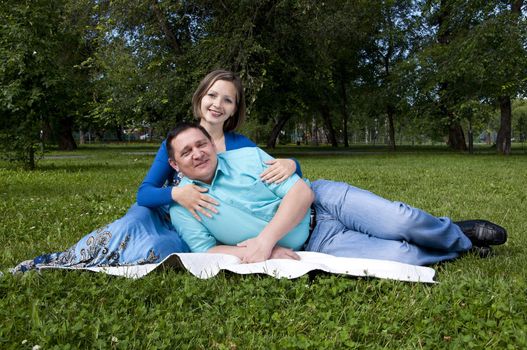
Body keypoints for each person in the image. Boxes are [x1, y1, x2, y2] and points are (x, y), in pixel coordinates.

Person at [13, 70, 301, 272]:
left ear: (235, 109)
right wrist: (178, 194)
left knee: (159, 251)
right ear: (201, 97)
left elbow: (270, 171)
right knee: (127, 229)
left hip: (197, 222)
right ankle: (55, 262)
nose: (218, 104)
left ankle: (103, 266)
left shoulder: (240, 145)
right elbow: (145, 193)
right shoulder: (178, 140)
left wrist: (293, 163)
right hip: (161, 208)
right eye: (212, 95)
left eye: (228, 100)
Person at [168, 123, 507, 266]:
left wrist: (264, 242)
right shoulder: (182, 208)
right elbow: (208, 250)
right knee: (401, 258)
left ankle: (458, 233)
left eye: (201, 144)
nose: (198, 153)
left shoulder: (244, 158)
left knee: (402, 219)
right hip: (317, 242)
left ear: (212, 144)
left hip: (325, 200)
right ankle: (460, 247)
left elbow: (300, 192)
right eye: (187, 152)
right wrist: (270, 252)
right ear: (175, 163)